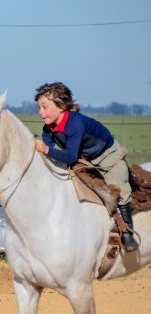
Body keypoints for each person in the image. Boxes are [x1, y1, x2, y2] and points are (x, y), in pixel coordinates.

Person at [33, 82, 138, 251]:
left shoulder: (75, 123)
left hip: (107, 156)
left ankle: (127, 233)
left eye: (44, 107)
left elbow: (68, 156)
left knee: (119, 188)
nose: (40, 113)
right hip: (83, 159)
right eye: (39, 108)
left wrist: (45, 149)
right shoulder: (48, 128)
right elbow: (50, 155)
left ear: (61, 106)